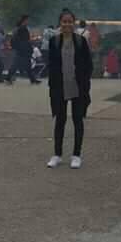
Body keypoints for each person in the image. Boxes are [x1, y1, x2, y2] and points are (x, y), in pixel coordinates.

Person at [47, 9, 93, 169]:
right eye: (64, 21)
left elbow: (88, 65)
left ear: (74, 23)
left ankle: (76, 155)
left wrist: (85, 84)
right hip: (60, 87)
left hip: (77, 87)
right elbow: (51, 65)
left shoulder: (81, 41)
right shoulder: (54, 42)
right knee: (60, 120)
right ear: (60, 23)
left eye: (69, 21)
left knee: (77, 120)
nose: (67, 24)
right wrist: (52, 85)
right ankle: (57, 155)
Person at [5, 15, 41, 85]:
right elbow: (26, 40)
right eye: (27, 20)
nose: (28, 22)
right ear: (25, 20)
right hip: (23, 49)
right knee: (16, 65)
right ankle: (8, 78)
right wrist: (34, 40)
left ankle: (32, 79)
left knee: (26, 65)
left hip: (21, 49)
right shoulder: (23, 29)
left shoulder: (18, 28)